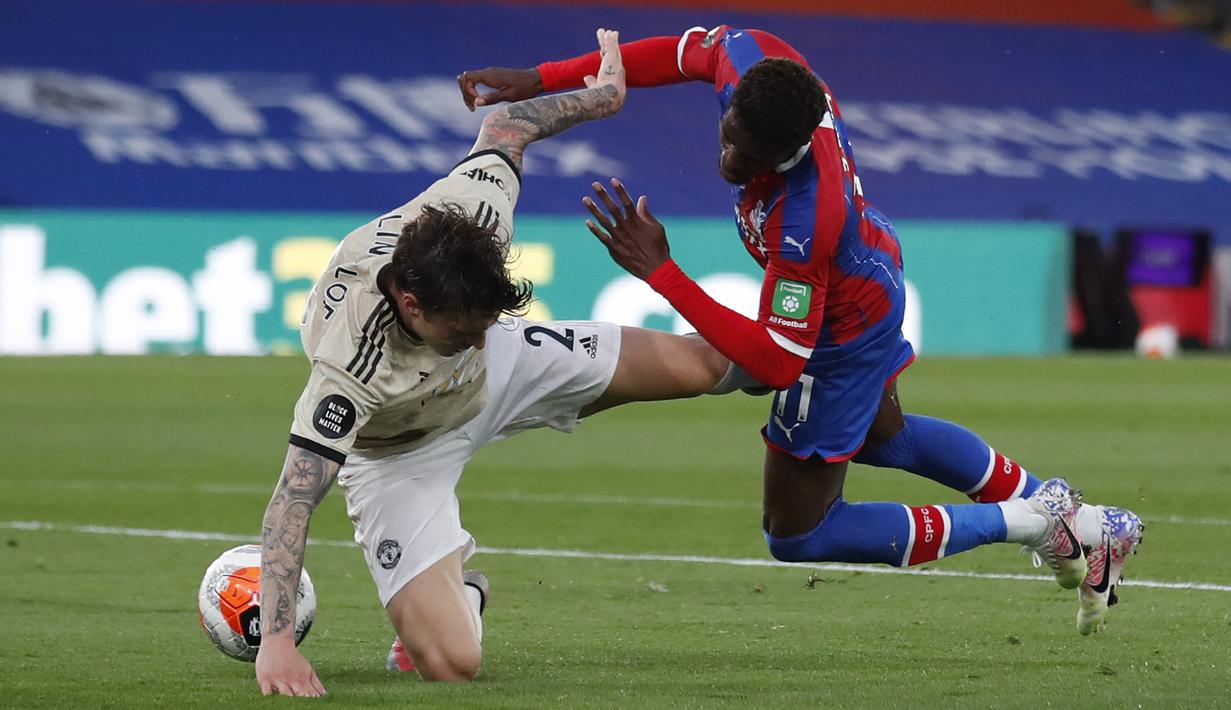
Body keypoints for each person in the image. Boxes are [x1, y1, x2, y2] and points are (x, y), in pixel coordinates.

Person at [458, 25, 1143, 635]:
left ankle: (1036, 521)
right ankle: (1085, 527)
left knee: (800, 533)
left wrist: (660, 272)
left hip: (839, 330)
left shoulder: (805, 217)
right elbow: (681, 51)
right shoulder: (758, 62)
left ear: (786, 152)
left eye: (747, 157)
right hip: (869, 274)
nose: (728, 159)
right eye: (727, 135)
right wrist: (547, 78)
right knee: (889, 438)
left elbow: (782, 361)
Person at [254, 29, 741, 697]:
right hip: (400, 452)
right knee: (454, 664)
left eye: (480, 324)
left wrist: (598, 99)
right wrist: (276, 644)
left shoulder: (473, 224)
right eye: (461, 330)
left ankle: (827, 356)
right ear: (409, 301)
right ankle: (461, 591)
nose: (472, 338)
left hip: (507, 374)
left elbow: (506, 125)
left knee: (709, 365)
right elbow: (291, 503)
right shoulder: (352, 364)